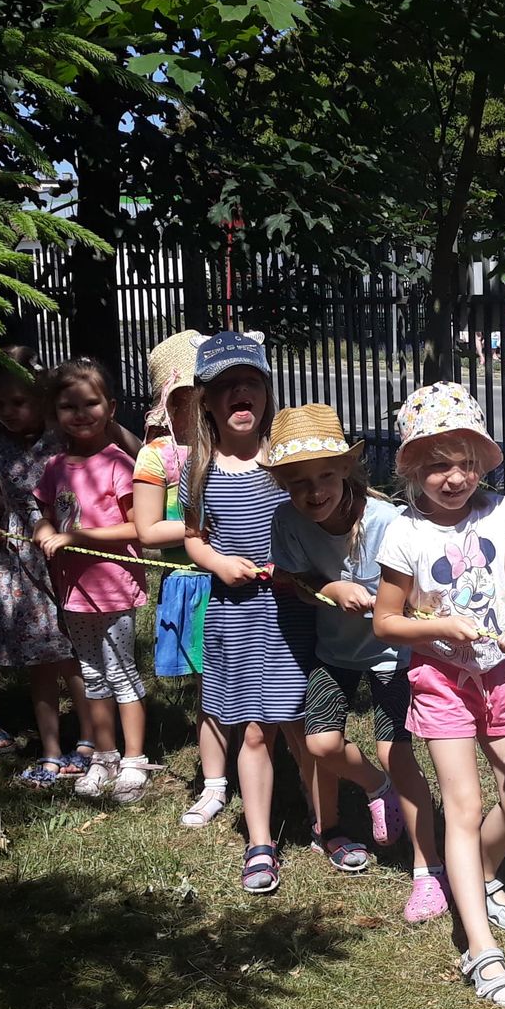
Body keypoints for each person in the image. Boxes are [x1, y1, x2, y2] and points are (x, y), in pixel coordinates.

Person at [373, 382, 505, 1008]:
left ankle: (482, 872)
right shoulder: (404, 533)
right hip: (440, 680)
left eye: (467, 462)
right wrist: (439, 626)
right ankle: (480, 949)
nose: (455, 477)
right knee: (463, 808)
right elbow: (386, 622)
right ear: (413, 467)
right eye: (438, 465)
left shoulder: (504, 514)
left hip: (502, 675)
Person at [264, 404, 447, 916]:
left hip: (394, 653)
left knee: (396, 753)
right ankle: (375, 787)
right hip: (336, 651)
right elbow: (294, 580)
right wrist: (330, 589)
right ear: (281, 484)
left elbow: (420, 583)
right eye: (298, 482)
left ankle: (428, 869)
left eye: (325, 476)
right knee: (321, 742)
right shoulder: (288, 521)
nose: (314, 491)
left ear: (346, 468)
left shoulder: (388, 521)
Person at [178, 331, 318, 894]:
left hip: (292, 612)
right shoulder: (200, 467)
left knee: (302, 724)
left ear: (266, 393)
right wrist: (217, 562)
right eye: (226, 385)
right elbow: (193, 537)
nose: (241, 392)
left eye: (251, 382)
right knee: (255, 729)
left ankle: (324, 820)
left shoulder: (287, 459)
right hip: (236, 615)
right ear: (207, 402)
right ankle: (260, 841)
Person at [0, 347, 105, 786]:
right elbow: (3, 494)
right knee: (39, 659)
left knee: (73, 653)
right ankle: (50, 748)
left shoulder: (61, 433)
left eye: (18, 401)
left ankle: (89, 740)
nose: (8, 412)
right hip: (20, 560)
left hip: (63, 552)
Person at [31, 357, 150, 802]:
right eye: (68, 406)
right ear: (54, 412)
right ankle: (104, 755)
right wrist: (43, 531)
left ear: (111, 408)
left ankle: (134, 759)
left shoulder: (119, 463)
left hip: (114, 590)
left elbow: (138, 527)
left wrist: (78, 536)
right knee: (91, 674)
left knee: (121, 673)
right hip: (74, 594)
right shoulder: (55, 466)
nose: (80, 414)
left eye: (90, 404)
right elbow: (45, 516)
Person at [130, 329, 229, 825]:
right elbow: (147, 529)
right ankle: (215, 782)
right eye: (185, 397)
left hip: (244, 582)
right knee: (211, 688)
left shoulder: (236, 448)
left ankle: (266, 766)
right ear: (167, 402)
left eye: (204, 395)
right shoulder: (158, 455)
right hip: (192, 584)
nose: (197, 407)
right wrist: (205, 525)